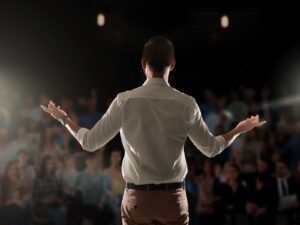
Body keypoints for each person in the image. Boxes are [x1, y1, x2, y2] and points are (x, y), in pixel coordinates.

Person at [41, 36, 266, 225]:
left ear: (142, 63)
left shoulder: (124, 101)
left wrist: (64, 119)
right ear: (173, 64)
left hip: (137, 200)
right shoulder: (187, 104)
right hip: (173, 200)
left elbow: (89, 142)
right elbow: (212, 149)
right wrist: (239, 128)